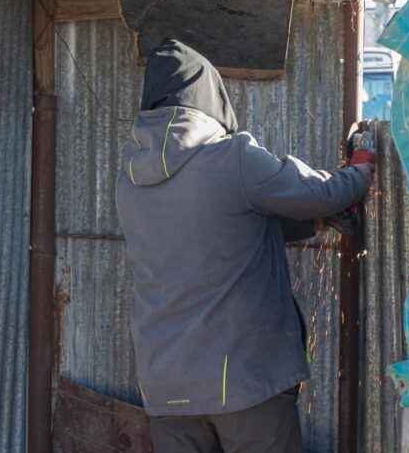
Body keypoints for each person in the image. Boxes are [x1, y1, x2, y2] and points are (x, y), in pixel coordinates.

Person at [115, 39, 374, 452]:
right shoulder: (232, 157)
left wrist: (313, 224)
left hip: (165, 386)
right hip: (242, 381)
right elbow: (320, 192)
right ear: (210, 97)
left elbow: (213, 230)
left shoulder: (128, 180)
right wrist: (361, 168)